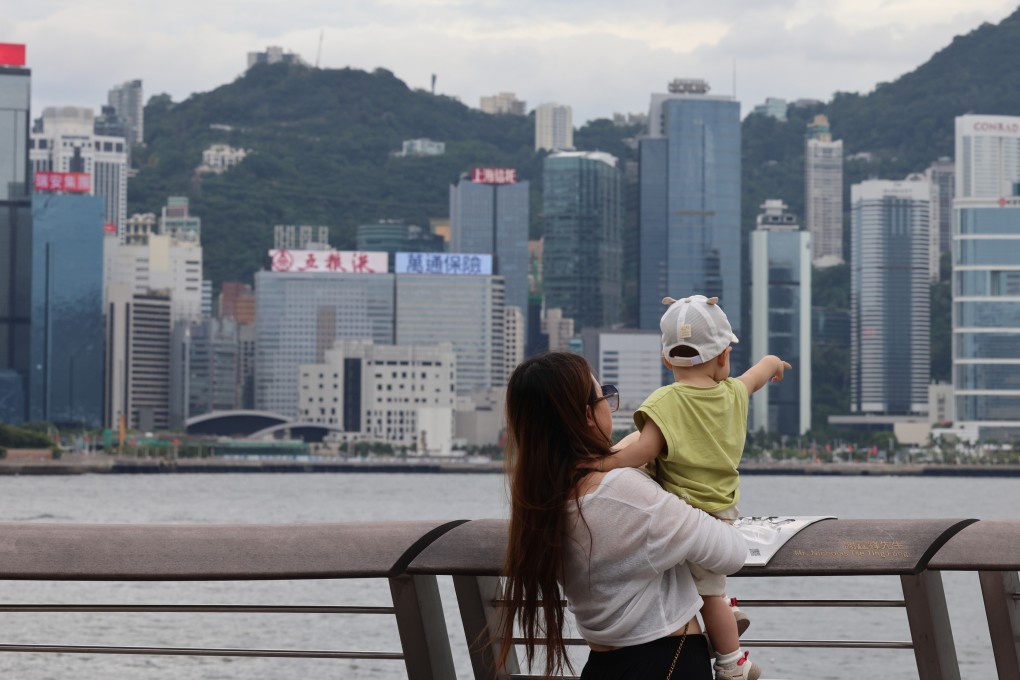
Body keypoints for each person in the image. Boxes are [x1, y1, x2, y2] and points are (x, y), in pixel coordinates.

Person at [496, 351, 748, 679]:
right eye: (605, 396)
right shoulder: (627, 495)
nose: (609, 406)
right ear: (588, 414)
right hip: (669, 661)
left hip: (602, 665)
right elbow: (731, 553)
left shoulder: (540, 499)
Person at [598, 295, 791, 680]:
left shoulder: (665, 401)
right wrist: (773, 364)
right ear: (724, 356)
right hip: (723, 514)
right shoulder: (734, 393)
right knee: (709, 587)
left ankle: (733, 663)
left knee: (708, 598)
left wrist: (601, 463)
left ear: (666, 360)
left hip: (684, 518)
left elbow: (645, 451)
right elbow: (758, 373)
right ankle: (729, 610)